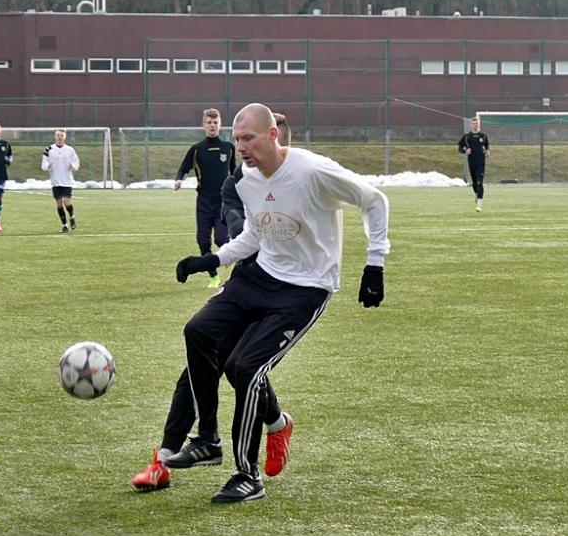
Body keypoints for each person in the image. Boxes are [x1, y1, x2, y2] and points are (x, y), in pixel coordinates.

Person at [133, 103, 389, 503]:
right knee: (198, 331)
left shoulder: (312, 170)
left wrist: (375, 264)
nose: (240, 146)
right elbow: (255, 233)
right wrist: (213, 260)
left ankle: (247, 475)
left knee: (244, 368)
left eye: (247, 138)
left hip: (305, 287)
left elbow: (375, 200)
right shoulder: (247, 180)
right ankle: (207, 439)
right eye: (236, 139)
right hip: (260, 275)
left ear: (272, 135)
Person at [174, 108, 236, 289]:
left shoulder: (228, 148)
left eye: (215, 122)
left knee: (221, 240)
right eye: (209, 122)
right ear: (204, 125)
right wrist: (179, 179)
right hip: (203, 202)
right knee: (203, 241)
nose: (212, 126)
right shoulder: (196, 150)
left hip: (223, 202)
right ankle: (214, 277)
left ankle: (233, 258)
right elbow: (184, 167)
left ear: (220, 125)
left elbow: (234, 172)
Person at [222, 112, 291, 243]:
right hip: (253, 262)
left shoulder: (306, 177)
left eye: (281, 151)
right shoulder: (236, 183)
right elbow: (237, 229)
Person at [41, 129, 80, 233]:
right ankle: (64, 225)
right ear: (55, 136)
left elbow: (76, 164)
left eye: (61, 135)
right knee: (59, 204)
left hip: (67, 181)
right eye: (58, 135)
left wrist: (73, 166)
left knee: (67, 203)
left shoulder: (70, 150)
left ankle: (71, 216)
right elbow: (43, 164)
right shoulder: (49, 149)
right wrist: (47, 166)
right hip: (55, 181)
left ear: (65, 137)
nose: (59, 137)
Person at [457, 116, 490, 212]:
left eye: (477, 123)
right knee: (475, 184)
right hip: (471, 163)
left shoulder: (483, 136)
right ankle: (477, 194)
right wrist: (465, 150)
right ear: (471, 125)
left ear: (479, 125)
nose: (475, 125)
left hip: (481, 164)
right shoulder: (467, 137)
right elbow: (460, 148)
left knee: (480, 183)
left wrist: (487, 152)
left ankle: (479, 205)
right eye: (474, 123)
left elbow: (487, 147)